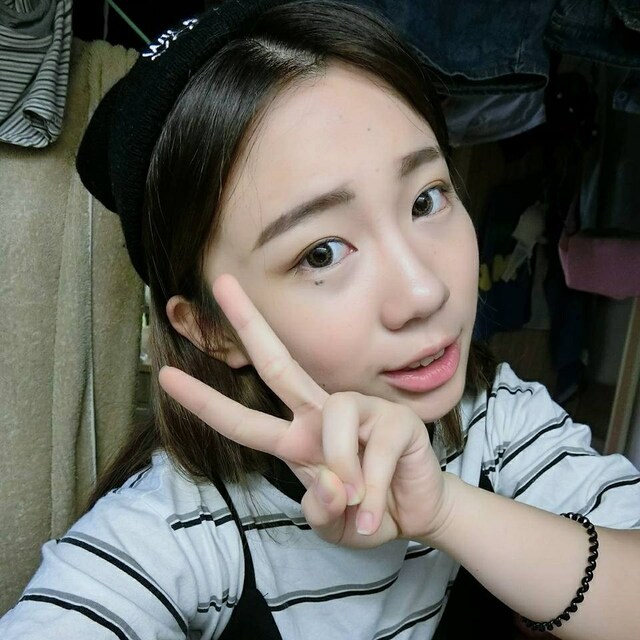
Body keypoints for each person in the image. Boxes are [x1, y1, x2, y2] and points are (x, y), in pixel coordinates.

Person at [1, 0, 639, 638]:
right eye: (322, 254)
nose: (424, 291)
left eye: (425, 200)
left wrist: (445, 511)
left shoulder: (493, 418)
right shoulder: (177, 530)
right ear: (210, 328)